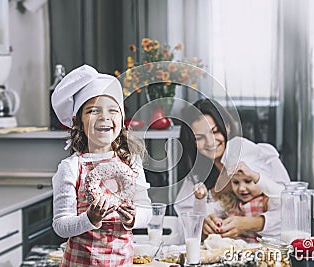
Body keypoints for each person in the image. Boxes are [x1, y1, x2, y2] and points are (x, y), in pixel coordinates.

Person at [51, 64, 152, 266]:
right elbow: (60, 225)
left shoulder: (131, 163)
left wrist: (133, 218)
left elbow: (146, 210)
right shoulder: (71, 167)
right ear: (78, 121)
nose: (104, 116)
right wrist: (90, 218)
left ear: (122, 120)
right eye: (93, 111)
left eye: (113, 110)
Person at [174, 98, 290, 242]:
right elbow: (182, 224)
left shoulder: (259, 157)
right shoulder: (197, 174)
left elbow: (290, 213)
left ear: (227, 127)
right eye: (199, 138)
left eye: (215, 131)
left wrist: (248, 223)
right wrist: (203, 225)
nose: (210, 142)